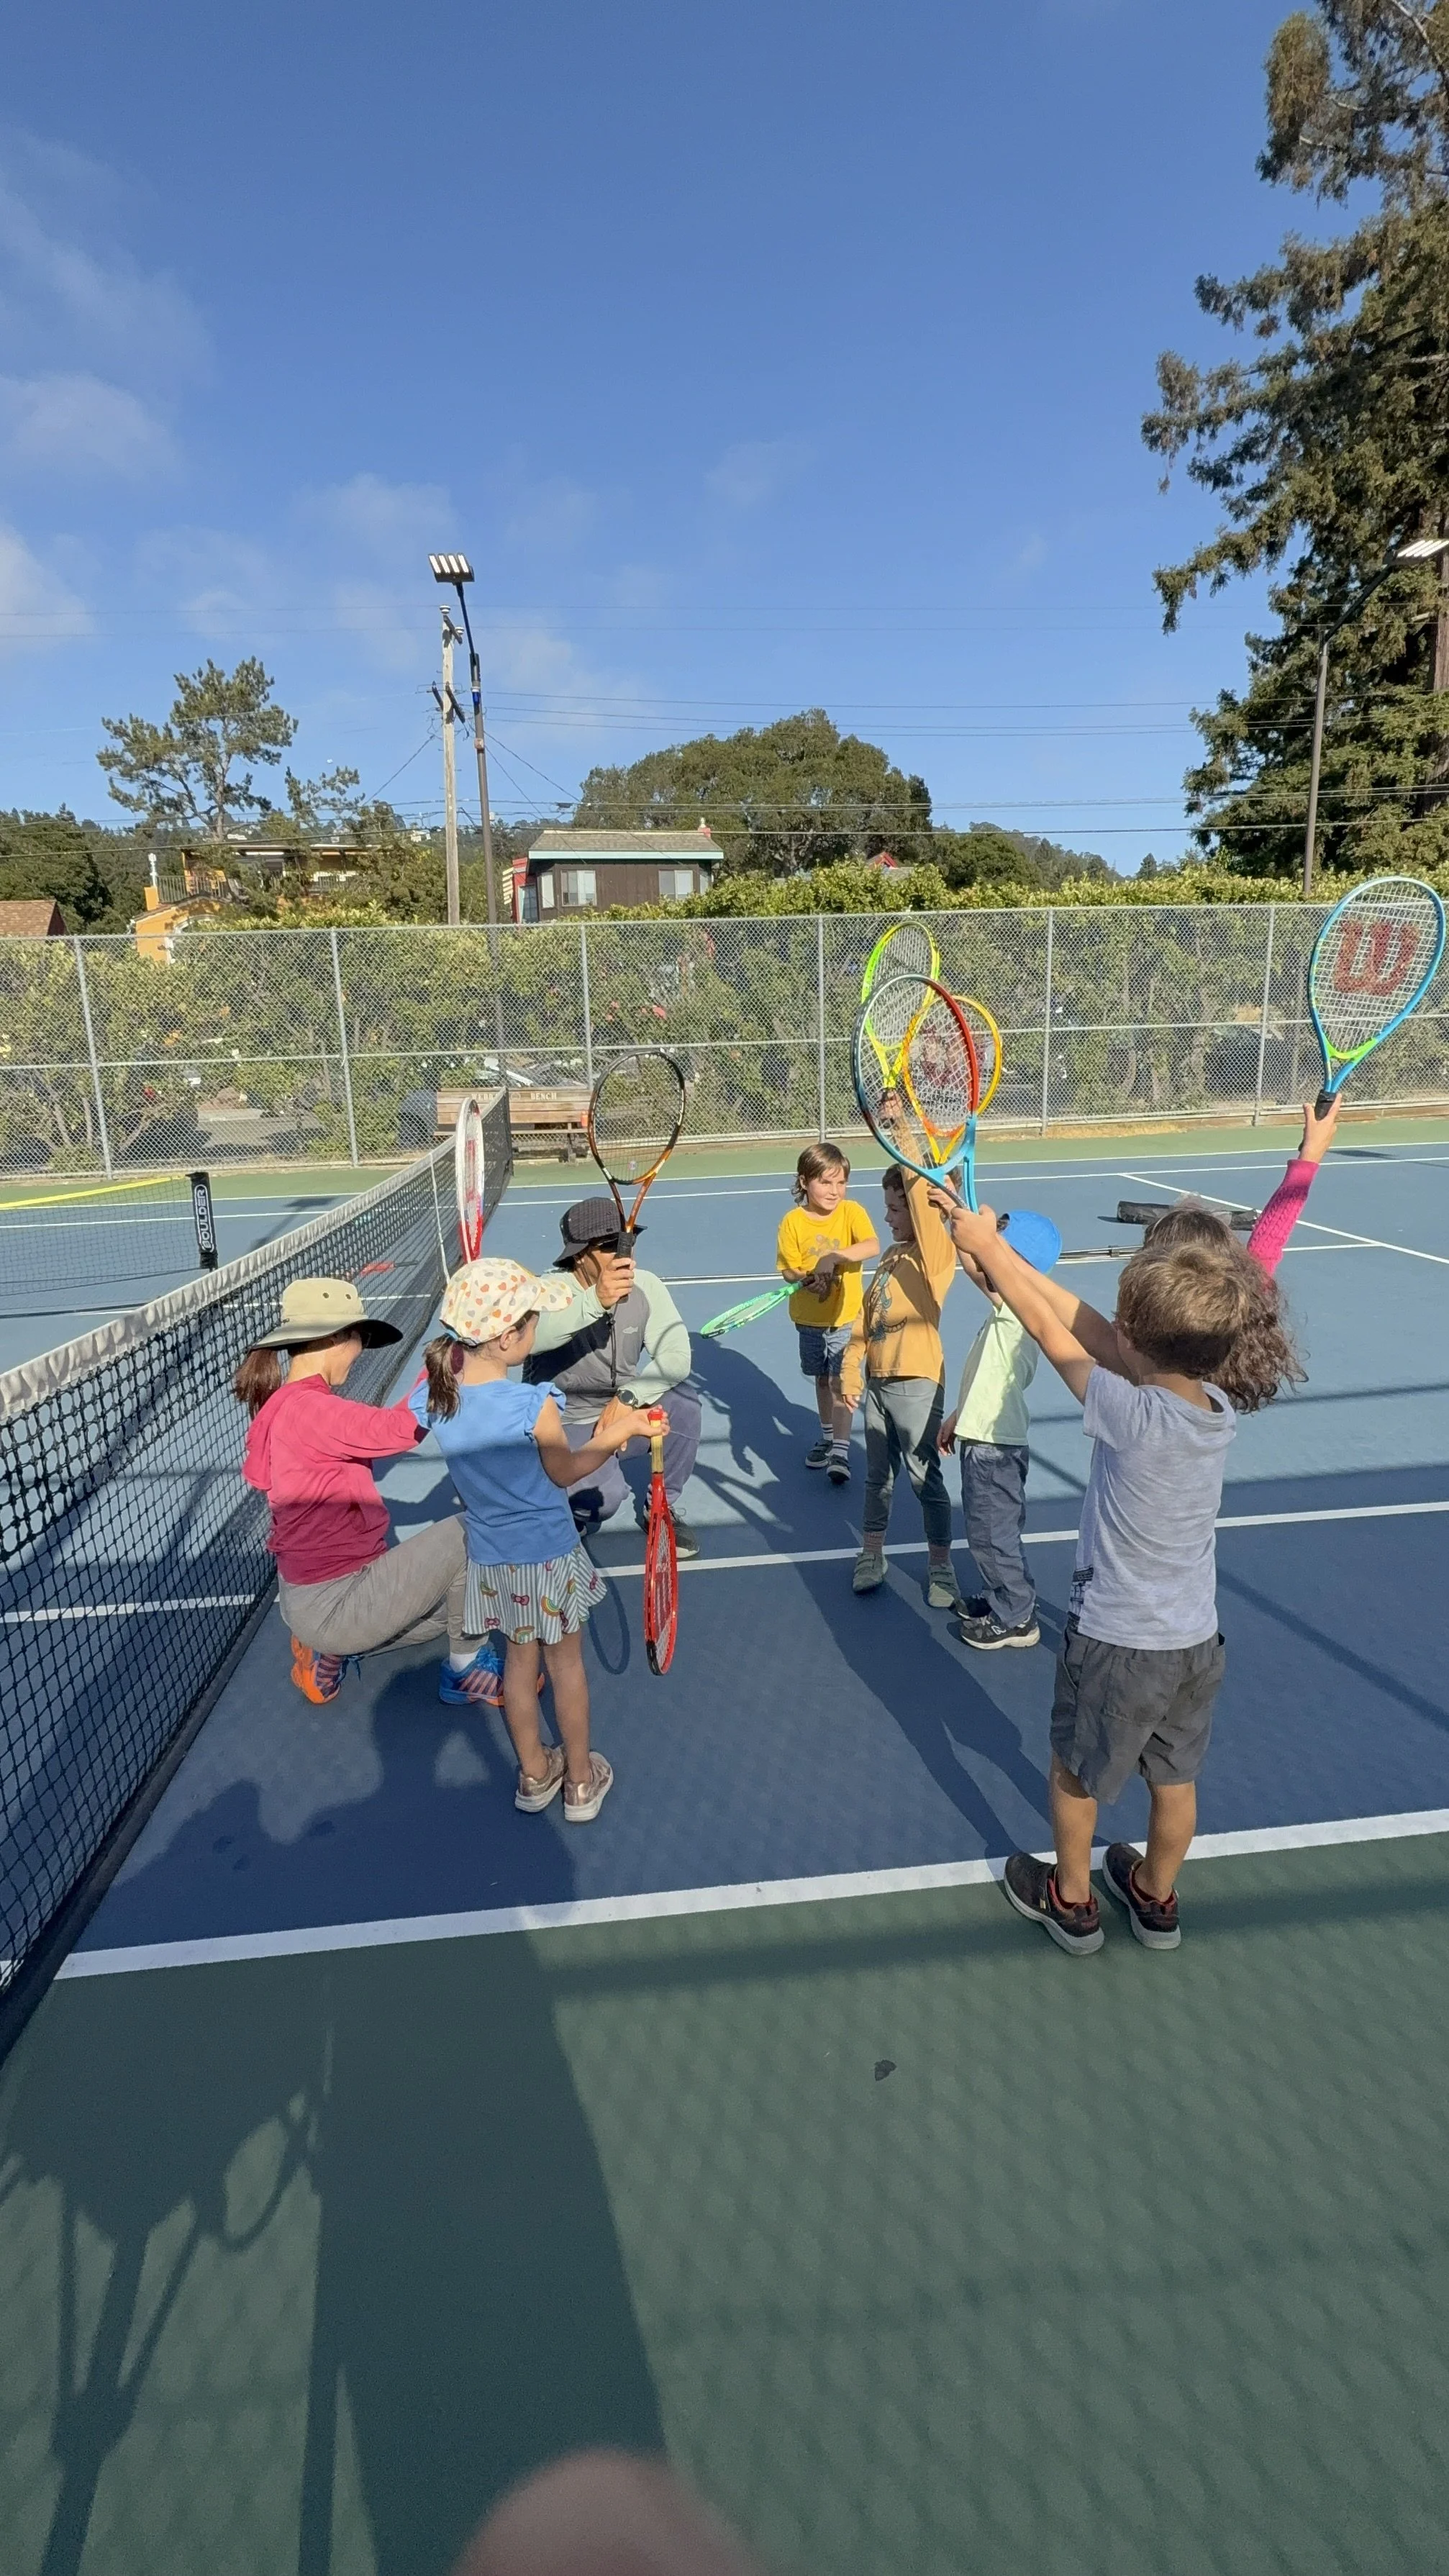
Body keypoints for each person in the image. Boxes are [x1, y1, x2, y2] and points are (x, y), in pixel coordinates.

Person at [937, 1199, 1302, 1956]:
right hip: (1193, 1643)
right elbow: (1089, 1329)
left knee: (1075, 1772)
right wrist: (1008, 1262)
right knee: (1174, 1781)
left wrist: (989, 1254)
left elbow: (1055, 1331)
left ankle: (1071, 1899)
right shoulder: (1216, 1406)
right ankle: (1156, 1896)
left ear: (1136, 1337)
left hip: (1116, 1642)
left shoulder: (1126, 1412)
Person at [412, 1256, 657, 1823]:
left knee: (519, 1667)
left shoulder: (439, 1400)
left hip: (495, 1562)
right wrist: (622, 1429)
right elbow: (566, 1472)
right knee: (566, 1668)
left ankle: (533, 1774)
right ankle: (577, 1780)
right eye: (529, 1323)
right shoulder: (532, 1404)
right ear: (504, 1338)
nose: (534, 1330)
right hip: (548, 1556)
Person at [235, 1275, 471, 1707]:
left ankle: (327, 1648)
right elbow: (401, 1429)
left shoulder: (284, 1402)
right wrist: (451, 1354)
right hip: (337, 1600)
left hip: (307, 1599)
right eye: (360, 1338)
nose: (361, 1351)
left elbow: (390, 1434)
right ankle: (464, 1674)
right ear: (338, 1337)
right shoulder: (313, 1410)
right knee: (470, 1533)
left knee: (450, 1613)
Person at [524, 1197, 703, 1559]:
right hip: (566, 1421)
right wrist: (596, 1301)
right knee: (602, 1503)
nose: (624, 1254)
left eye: (627, 1240)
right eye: (609, 1246)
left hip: (622, 1405)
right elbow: (533, 1339)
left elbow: (676, 1357)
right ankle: (562, 1507)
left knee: (684, 1404)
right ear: (579, 1255)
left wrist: (629, 1398)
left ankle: (660, 1509)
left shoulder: (647, 1287)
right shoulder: (547, 1290)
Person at [937, 1215, 1060, 1651]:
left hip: (995, 1448)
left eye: (999, 1247)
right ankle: (1004, 1598)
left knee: (993, 1537)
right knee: (992, 1534)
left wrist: (955, 1225)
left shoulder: (1019, 1306)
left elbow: (976, 1269)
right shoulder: (1010, 1308)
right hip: (984, 1437)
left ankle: (1017, 1617)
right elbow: (986, 1379)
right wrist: (960, 1416)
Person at [853, 1157, 957, 1603]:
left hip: (916, 1383)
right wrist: (850, 1365)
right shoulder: (892, 1256)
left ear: (916, 1213)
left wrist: (901, 1133)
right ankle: (872, 1554)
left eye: (895, 1209)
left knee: (923, 1478)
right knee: (878, 1477)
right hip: (878, 1382)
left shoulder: (935, 1257)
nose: (887, 1216)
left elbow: (922, 1197)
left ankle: (941, 1568)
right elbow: (866, 1316)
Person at [775, 1142, 879, 1486]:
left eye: (841, 1183)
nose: (835, 1191)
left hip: (846, 1318)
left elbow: (871, 1245)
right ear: (805, 1182)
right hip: (808, 1320)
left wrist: (832, 1258)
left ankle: (841, 1451)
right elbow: (789, 1269)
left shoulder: (851, 1213)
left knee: (841, 1382)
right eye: (826, 1183)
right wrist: (806, 1281)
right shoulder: (791, 1222)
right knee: (821, 1380)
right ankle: (828, 1434)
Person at [1143, 1094, 1340, 1274]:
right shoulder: (1250, 1300)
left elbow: (1265, 1248)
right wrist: (1310, 1155)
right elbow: (1267, 1242)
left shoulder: (1138, 1307)